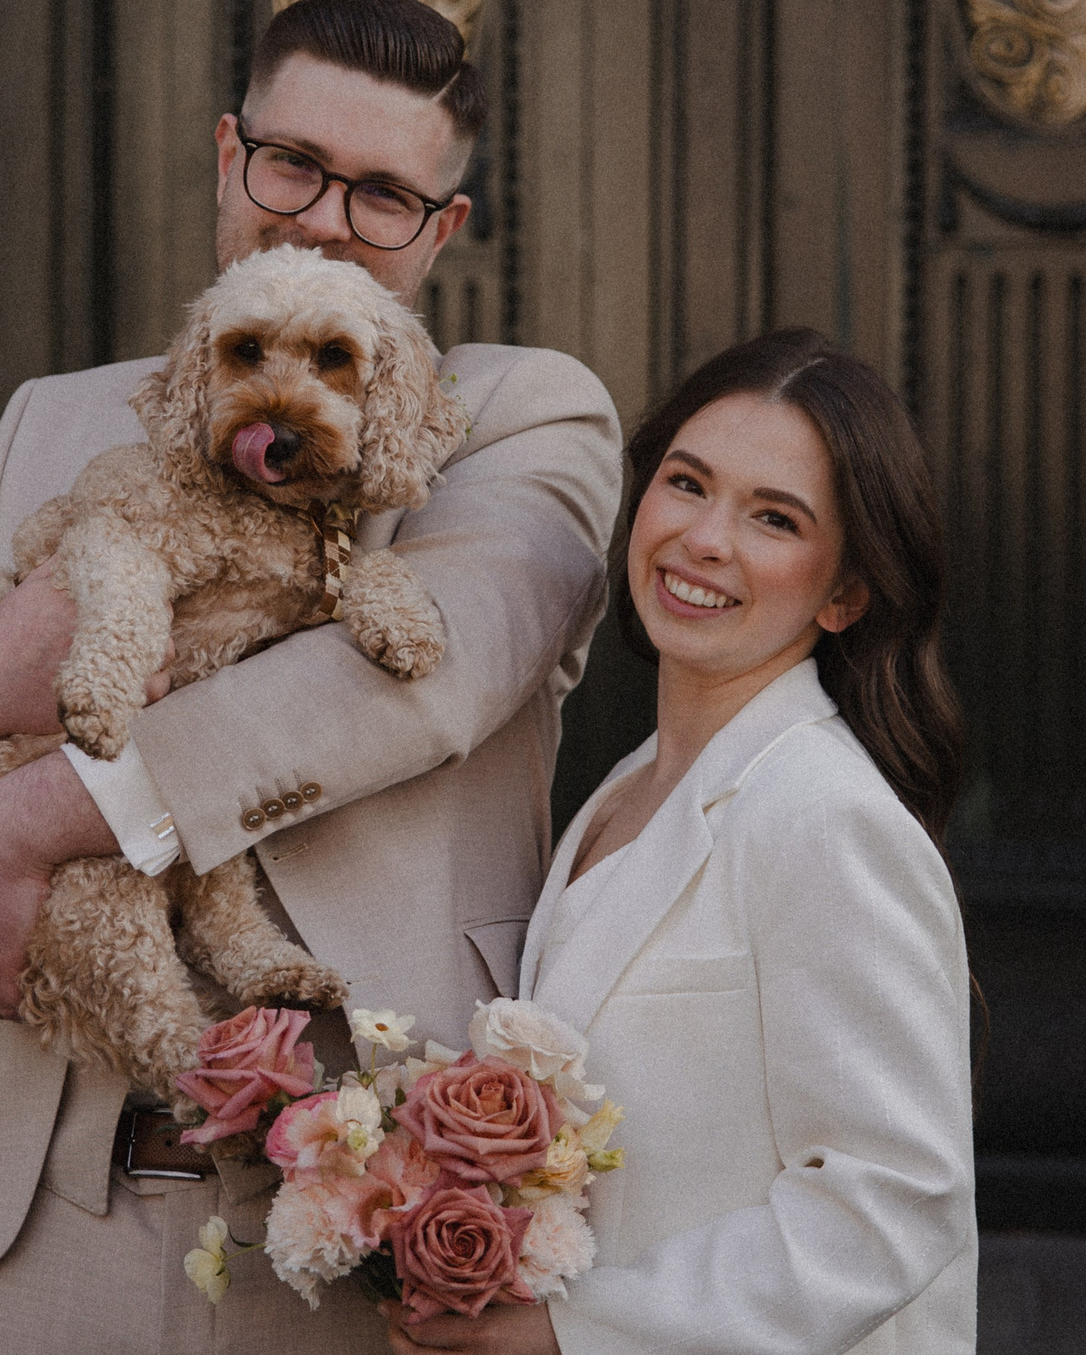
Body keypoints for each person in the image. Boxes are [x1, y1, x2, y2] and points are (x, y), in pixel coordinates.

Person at [0, 0, 623, 1354]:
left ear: (443, 228)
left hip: (362, 1216)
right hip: (29, 1231)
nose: (327, 217)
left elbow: (429, 678)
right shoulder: (55, 424)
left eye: (385, 193)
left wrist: (19, 825)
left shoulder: (522, 415)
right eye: (294, 164)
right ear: (232, 155)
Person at [385, 327, 976, 1355]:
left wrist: (573, 1331)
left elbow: (894, 1202)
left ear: (845, 592)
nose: (705, 537)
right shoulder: (627, 783)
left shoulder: (827, 816)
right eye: (687, 482)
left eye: (774, 517)